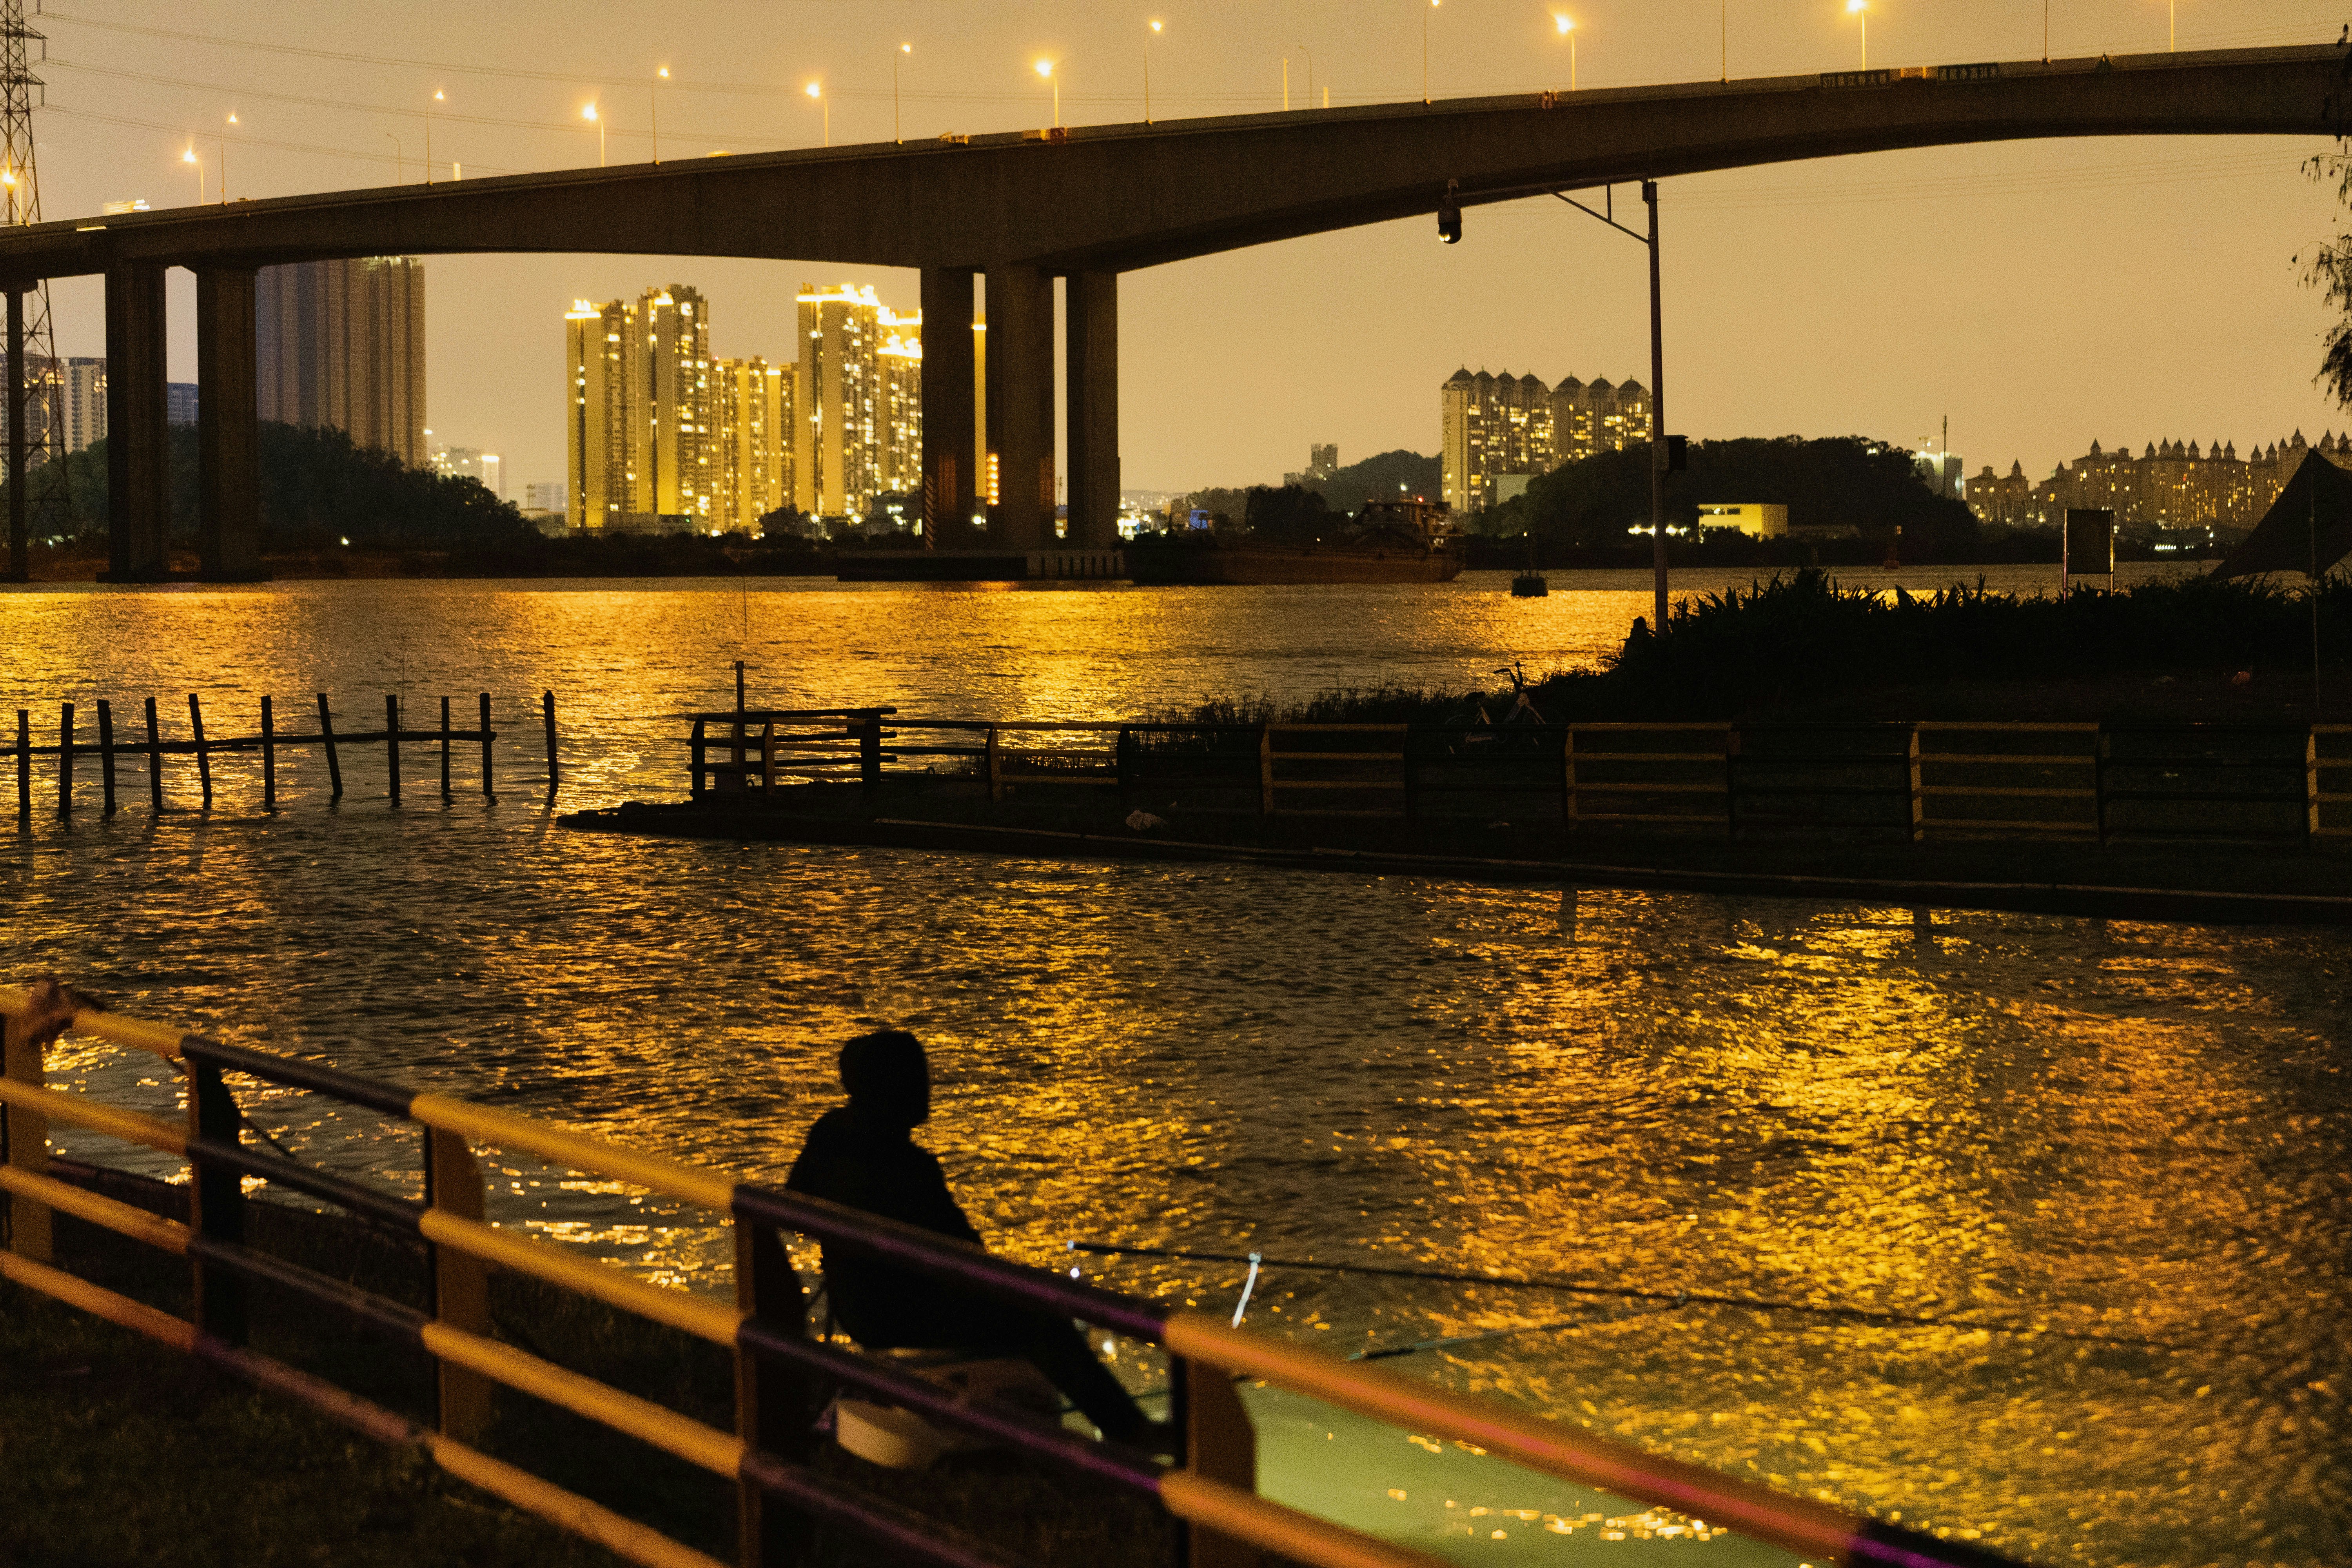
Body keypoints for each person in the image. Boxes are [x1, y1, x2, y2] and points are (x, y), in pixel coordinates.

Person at [785, 1029, 1167, 1452]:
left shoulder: (831, 1137)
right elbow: (968, 1254)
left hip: (855, 1302)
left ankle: (1119, 1426)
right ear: (894, 1086)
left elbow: (796, 1198)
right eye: (918, 1077)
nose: (928, 1087)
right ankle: (1128, 1432)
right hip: (899, 1310)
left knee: (1030, 1306)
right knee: (1041, 1318)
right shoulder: (908, 1168)